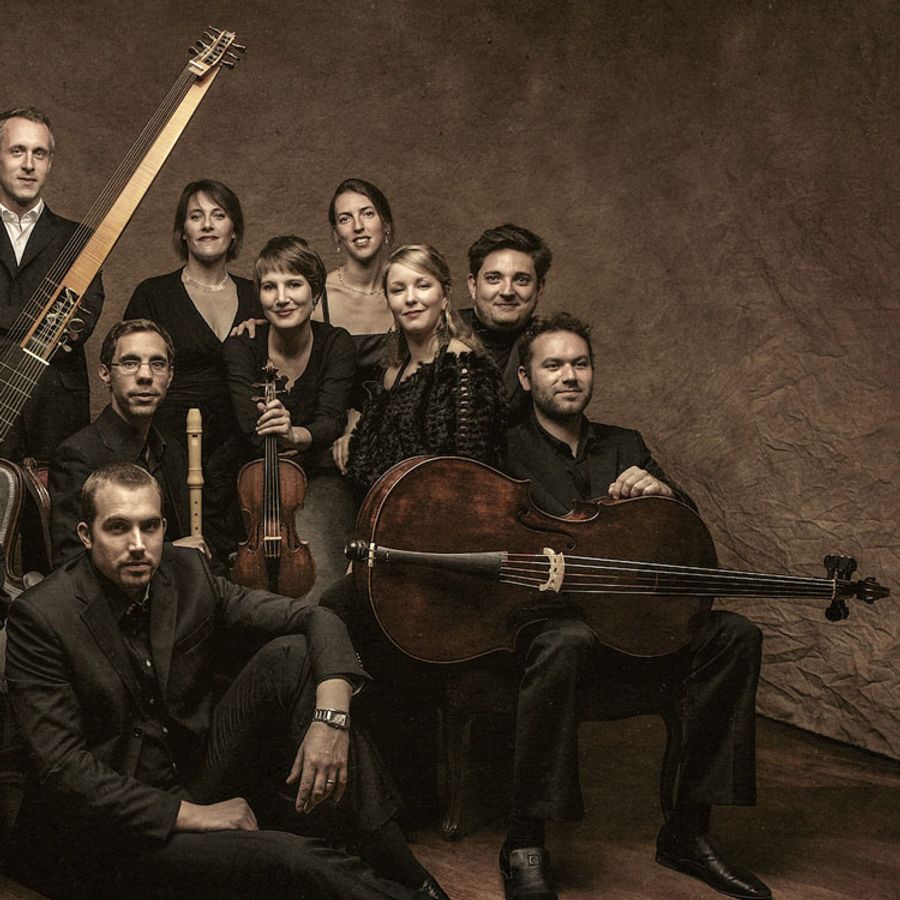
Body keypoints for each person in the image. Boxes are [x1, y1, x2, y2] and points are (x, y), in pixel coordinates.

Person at [5, 463, 449, 900]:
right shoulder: (42, 616)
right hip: (118, 824)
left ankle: (407, 873)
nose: (138, 545)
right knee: (294, 860)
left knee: (292, 656)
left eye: (150, 526)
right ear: (86, 535)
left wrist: (332, 718)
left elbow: (316, 616)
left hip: (194, 771)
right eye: (118, 528)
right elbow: (63, 769)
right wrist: (191, 815)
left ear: (163, 528)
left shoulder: (185, 572)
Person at [499, 313, 771, 900]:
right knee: (566, 639)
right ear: (525, 378)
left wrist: (665, 494)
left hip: (636, 626)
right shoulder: (505, 447)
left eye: (580, 363)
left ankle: (687, 832)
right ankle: (525, 840)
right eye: (553, 365)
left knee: (734, 634)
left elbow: (683, 534)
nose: (569, 376)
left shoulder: (626, 444)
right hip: (552, 631)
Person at [324, 243, 507, 820]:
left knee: (341, 616)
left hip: (442, 555)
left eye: (421, 286)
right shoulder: (393, 371)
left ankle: (401, 801)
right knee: (337, 616)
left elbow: (464, 477)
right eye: (398, 289)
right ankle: (377, 795)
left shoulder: (462, 367)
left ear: (445, 294)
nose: (410, 299)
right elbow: (366, 469)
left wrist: (392, 551)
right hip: (393, 547)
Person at [214, 236, 357, 591]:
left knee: (320, 580)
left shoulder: (336, 344)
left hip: (316, 479)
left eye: (294, 284)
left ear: (315, 294)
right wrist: (303, 438)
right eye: (269, 287)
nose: (281, 298)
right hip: (245, 484)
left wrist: (295, 435)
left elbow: (331, 421)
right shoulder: (241, 346)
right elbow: (251, 429)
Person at [124, 179, 262, 463]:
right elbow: (127, 375)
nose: (207, 225)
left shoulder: (259, 296)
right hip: (169, 444)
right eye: (196, 216)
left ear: (234, 231)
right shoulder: (152, 294)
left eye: (219, 215)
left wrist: (269, 332)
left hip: (245, 446)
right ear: (183, 232)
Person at [0, 107, 105, 463]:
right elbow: (52, 323)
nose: (28, 164)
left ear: (49, 164)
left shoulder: (80, 240)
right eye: (17, 151)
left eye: (39, 153)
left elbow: (80, 321)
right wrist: (40, 319)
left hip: (56, 415)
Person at [49, 319, 199, 566]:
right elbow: (72, 561)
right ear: (105, 374)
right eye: (130, 363)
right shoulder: (77, 456)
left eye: (157, 364)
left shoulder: (173, 452)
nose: (145, 376)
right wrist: (174, 555)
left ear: (170, 376)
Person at [314, 178, 396, 472]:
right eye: (345, 219)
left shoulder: (408, 291)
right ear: (336, 234)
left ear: (386, 224)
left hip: (395, 438)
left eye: (367, 213)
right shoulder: (316, 297)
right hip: (333, 445)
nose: (358, 226)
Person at [459, 223, 552, 425]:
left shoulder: (552, 343)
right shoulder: (438, 335)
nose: (507, 291)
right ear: (473, 286)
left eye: (521, 280)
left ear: (539, 288)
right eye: (494, 278)